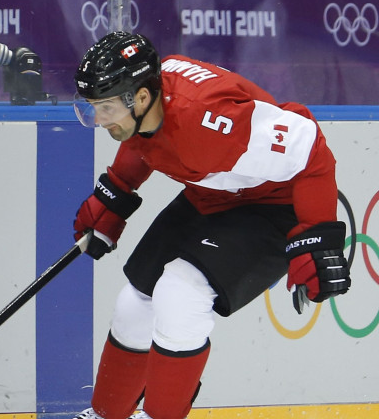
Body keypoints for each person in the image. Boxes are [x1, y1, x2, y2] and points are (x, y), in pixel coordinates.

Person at [70, 32, 350, 419]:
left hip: (273, 206)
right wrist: (115, 192)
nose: (98, 121)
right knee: (135, 303)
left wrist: (317, 234)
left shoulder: (209, 119)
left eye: (104, 109)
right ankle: (106, 414)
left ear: (142, 98)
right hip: (213, 194)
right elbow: (144, 142)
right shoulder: (146, 101)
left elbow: (309, 146)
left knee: (180, 295)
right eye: (91, 108)